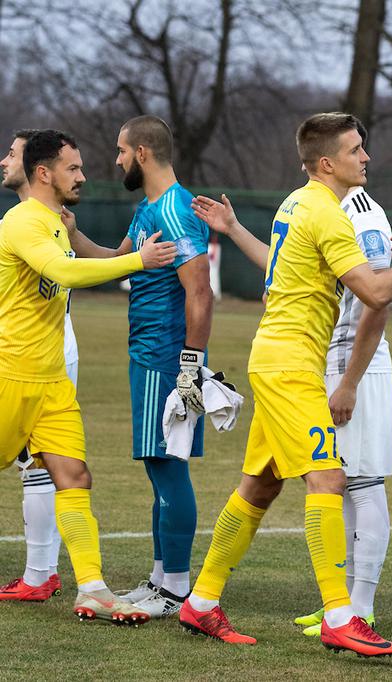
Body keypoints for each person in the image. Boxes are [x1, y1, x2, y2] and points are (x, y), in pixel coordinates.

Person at [178, 112, 392, 657]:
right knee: (328, 480)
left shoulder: (295, 202)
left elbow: (284, 272)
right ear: (328, 162)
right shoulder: (327, 213)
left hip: (279, 357)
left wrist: (233, 230)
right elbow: (375, 294)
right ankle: (341, 616)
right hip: (291, 365)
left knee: (260, 484)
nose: (366, 157)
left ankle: (201, 602)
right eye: (356, 149)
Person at [0, 129, 176, 623]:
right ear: (44, 173)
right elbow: (67, 272)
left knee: (74, 477)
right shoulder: (21, 222)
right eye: (73, 168)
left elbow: (77, 258)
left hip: (51, 381)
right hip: (9, 377)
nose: (82, 175)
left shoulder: (56, 221)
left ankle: (93, 588)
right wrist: (137, 261)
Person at [66, 116, 214, 619]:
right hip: (147, 354)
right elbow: (116, 262)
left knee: (167, 466)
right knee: (157, 466)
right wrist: (72, 234)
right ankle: (160, 578)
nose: (117, 160)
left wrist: (190, 365)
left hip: (167, 357)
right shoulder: (147, 209)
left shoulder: (175, 209)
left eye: (121, 151)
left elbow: (200, 290)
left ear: (143, 153)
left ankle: (175, 588)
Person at [0, 129, 74, 603]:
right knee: (43, 469)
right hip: (42, 350)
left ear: (36, 168)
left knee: (41, 467)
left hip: (35, 354)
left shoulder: (32, 221)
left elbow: (72, 270)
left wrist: (136, 257)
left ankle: (41, 571)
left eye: (12, 152)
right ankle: (41, 572)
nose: (5, 160)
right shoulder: (46, 220)